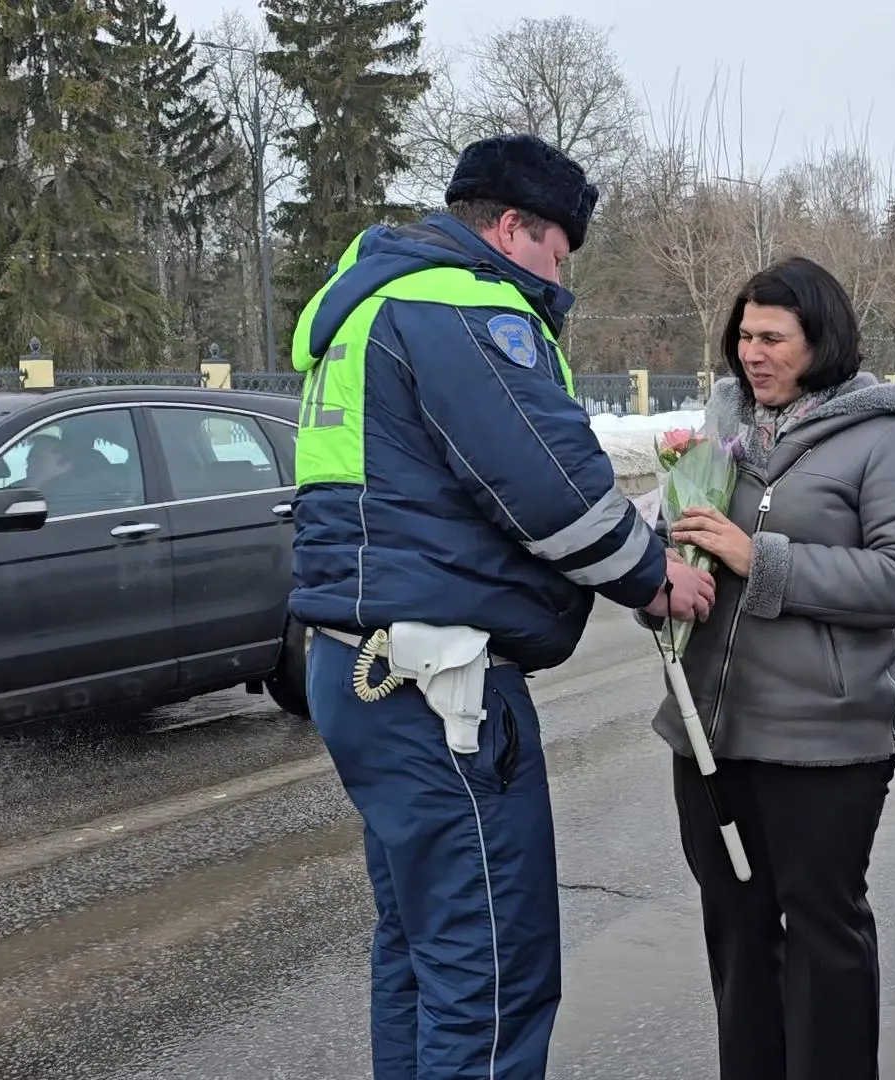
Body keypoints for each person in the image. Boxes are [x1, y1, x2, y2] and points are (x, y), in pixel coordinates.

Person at [286, 133, 718, 1080]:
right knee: (490, 970)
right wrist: (656, 578)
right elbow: (547, 487)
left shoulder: (372, 305)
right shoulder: (458, 306)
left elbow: (443, 498)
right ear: (513, 226)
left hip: (364, 667)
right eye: (559, 253)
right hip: (440, 690)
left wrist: (629, 529)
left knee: (422, 949)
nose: (561, 279)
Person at [650, 256, 895, 1079]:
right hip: (712, 734)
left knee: (823, 935)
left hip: (828, 739)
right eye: (744, 335)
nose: (754, 352)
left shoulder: (882, 437)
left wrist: (762, 559)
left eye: (774, 337)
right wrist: (658, 581)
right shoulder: (718, 432)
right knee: (738, 934)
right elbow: (675, 542)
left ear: (820, 341)